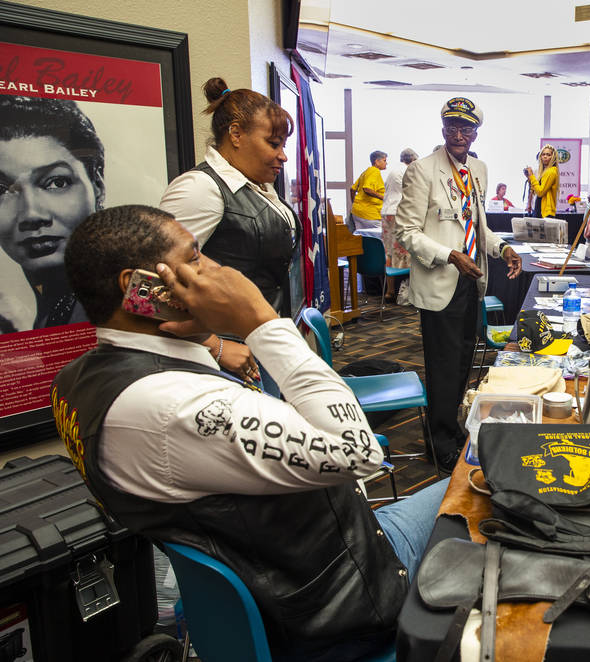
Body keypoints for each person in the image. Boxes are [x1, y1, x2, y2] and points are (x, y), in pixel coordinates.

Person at [52, 204, 448, 661]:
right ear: (140, 287)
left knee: (475, 472)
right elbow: (358, 453)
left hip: (318, 558)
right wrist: (260, 320)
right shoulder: (171, 405)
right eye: (196, 257)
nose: (218, 272)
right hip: (341, 605)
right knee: (487, 484)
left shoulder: (78, 377)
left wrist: (210, 341)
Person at [395, 97, 522, 473]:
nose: (458, 134)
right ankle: (440, 447)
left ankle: (453, 428)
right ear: (442, 129)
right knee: (443, 367)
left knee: (464, 361)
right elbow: (406, 232)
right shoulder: (421, 170)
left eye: (466, 128)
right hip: (440, 283)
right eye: (452, 126)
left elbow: (476, 225)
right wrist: (449, 254)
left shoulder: (478, 169)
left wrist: (502, 247)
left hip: (471, 283)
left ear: (476, 132)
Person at [159, 77, 294, 381]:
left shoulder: (258, 186)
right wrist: (214, 345)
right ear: (235, 134)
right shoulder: (200, 189)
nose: (283, 156)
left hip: (259, 342)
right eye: (273, 144)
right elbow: (151, 278)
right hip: (225, 360)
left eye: (283, 146)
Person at [0, 95, 104, 329]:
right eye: (3, 190)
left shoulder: (128, 296)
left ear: (97, 186)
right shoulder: (28, 311)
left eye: (56, 183)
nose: (32, 214)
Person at [379, 148, 418, 300]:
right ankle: (408, 292)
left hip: (387, 212)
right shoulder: (409, 171)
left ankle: (390, 291)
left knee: (388, 251)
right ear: (413, 160)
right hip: (401, 212)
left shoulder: (393, 171)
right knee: (407, 251)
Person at [350, 150, 387, 232]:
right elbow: (366, 189)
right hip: (370, 214)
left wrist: (355, 203)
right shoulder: (375, 171)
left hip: (357, 212)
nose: (386, 163)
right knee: (384, 237)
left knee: (363, 239)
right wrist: (383, 197)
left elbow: (352, 189)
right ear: (377, 161)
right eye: (384, 160)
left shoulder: (365, 172)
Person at [525, 144, 560, 218]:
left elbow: (540, 192)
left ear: (553, 157)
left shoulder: (551, 171)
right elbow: (535, 190)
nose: (545, 156)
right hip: (539, 208)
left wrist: (531, 176)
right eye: (543, 154)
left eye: (548, 154)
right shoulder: (544, 171)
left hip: (545, 212)